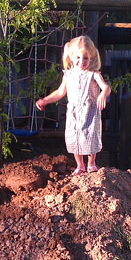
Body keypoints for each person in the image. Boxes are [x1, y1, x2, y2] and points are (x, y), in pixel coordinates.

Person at [36, 35, 111, 174]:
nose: (81, 61)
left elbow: (106, 87)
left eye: (86, 58)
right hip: (74, 112)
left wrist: (102, 94)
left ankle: (91, 163)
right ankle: (80, 165)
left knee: (89, 136)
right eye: (78, 57)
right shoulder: (68, 75)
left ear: (92, 58)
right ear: (71, 56)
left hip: (89, 111)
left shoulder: (93, 75)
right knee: (74, 136)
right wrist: (45, 100)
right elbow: (59, 92)